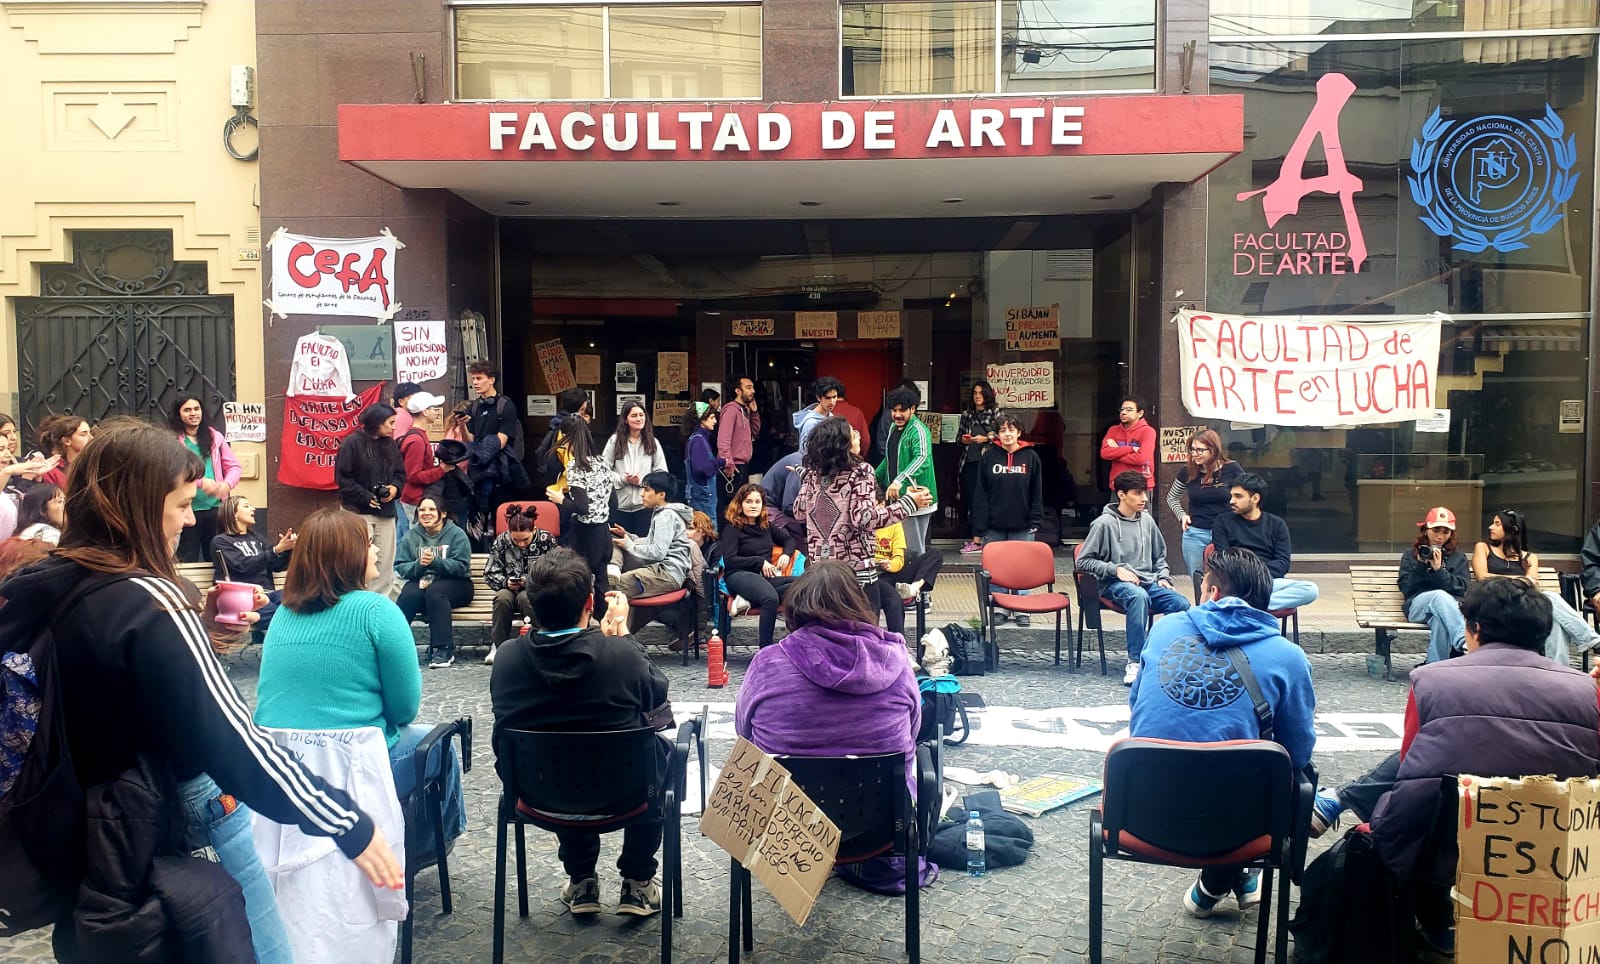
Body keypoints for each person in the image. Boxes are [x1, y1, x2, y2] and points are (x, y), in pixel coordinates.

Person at [0, 419, 401, 963]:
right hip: (175, 810)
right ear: (137, 505)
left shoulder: (43, 584)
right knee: (264, 953)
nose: (190, 519)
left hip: (82, 826)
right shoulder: (149, 599)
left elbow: (111, 684)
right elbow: (231, 738)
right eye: (183, 503)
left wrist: (200, 636)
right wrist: (346, 822)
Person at [1368, 578, 1600, 955]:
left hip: (1446, 850)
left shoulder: (1430, 680)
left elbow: (1409, 767)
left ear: (1475, 628)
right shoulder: (1586, 690)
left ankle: (1433, 924)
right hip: (1554, 853)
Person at [254, 507, 466, 847]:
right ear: (349, 556)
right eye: (369, 544)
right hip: (354, 769)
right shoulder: (378, 611)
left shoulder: (281, 615)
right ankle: (429, 848)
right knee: (439, 742)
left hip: (281, 771)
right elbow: (404, 711)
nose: (378, 550)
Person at [1128, 547, 1315, 918]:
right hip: (1239, 822)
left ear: (1213, 593)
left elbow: (1138, 712)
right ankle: (1233, 874)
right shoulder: (1289, 656)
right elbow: (1299, 751)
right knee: (1281, 774)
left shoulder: (1164, 628)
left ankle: (1224, 880)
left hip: (1146, 810)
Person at [490, 547, 672, 917]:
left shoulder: (507, 658)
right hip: (625, 794)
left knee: (560, 753)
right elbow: (658, 698)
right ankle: (637, 880)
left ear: (531, 605)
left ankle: (581, 878)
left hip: (540, 793)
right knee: (659, 751)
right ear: (591, 601)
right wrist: (622, 636)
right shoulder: (621, 656)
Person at [734, 560, 932, 892]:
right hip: (880, 826)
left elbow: (745, 735)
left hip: (785, 825)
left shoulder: (766, 663)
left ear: (794, 609)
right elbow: (912, 734)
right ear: (860, 605)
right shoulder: (896, 662)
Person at [1076, 469, 1191, 685]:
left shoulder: (1147, 521)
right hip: (1113, 584)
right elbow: (1083, 561)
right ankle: (1135, 661)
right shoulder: (1103, 524)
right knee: (1137, 597)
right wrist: (1114, 570)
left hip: (1148, 581)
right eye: (1137, 493)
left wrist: (1164, 577)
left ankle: (1163, 654)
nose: (1144, 499)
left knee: (1181, 603)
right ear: (1121, 495)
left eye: (1145, 493)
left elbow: (1160, 556)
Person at [1469, 508, 1597, 663]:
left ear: (1512, 529)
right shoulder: (1483, 548)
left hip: (1522, 607)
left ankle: (1557, 671)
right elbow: (1483, 577)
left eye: (1497, 524)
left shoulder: (1530, 558)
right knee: (1550, 598)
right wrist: (1521, 578)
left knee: (1554, 617)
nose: (1491, 527)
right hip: (1493, 604)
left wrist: (1520, 581)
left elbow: (1532, 584)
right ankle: (1590, 641)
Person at [1209, 473, 1319, 612]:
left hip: (1268, 582)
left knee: (1310, 590)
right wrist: (1250, 572)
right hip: (1236, 584)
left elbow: (1282, 564)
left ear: (1255, 498)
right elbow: (1224, 560)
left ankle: (1246, 607)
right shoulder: (1222, 522)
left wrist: (1254, 572)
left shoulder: (1277, 524)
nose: (1231, 501)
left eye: (1238, 496)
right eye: (1232, 496)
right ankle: (1254, 605)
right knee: (1227, 592)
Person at [971, 414, 1043, 625]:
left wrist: (1036, 520)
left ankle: (1022, 607)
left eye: (1011, 430)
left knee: (1022, 566)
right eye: (1003, 430)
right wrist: (979, 526)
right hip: (993, 525)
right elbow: (980, 493)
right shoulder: (988, 457)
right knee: (996, 568)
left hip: (1023, 523)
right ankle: (999, 606)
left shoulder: (1031, 457)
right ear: (998, 434)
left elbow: (1036, 492)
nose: (1007, 434)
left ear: (1019, 432)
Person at [334, 402, 406, 595]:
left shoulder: (389, 444)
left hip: (386, 512)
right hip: (357, 511)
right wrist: (365, 496)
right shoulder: (351, 443)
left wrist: (394, 488)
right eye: (390, 423)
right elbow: (342, 478)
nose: (393, 427)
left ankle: (381, 604)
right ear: (377, 422)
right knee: (358, 559)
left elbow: (400, 473)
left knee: (385, 562)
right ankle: (357, 600)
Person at [396, 495, 474, 668]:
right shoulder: (412, 535)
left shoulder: (456, 534)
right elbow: (401, 567)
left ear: (443, 513)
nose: (426, 513)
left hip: (457, 584)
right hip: (423, 581)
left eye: (431, 509)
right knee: (408, 594)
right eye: (422, 509)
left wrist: (435, 562)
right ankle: (393, 645)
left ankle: (443, 649)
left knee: (436, 592)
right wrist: (419, 565)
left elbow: (462, 567)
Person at [549, 412, 618, 602]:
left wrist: (559, 499)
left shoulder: (575, 467)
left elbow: (582, 507)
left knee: (580, 585)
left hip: (585, 534)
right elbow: (613, 501)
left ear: (566, 437)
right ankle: (607, 626)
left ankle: (582, 627)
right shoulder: (602, 462)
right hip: (603, 532)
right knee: (602, 584)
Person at [1166, 429, 1243, 597]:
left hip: (1227, 532)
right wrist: (1182, 515)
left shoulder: (1232, 469)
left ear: (1214, 449)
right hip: (1196, 533)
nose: (1195, 454)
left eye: (1200, 450)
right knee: (1200, 581)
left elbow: (1245, 495)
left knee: (1228, 577)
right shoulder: (1187, 472)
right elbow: (1171, 497)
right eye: (1192, 450)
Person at [719, 483, 797, 648]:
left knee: (801, 585)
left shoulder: (766, 527)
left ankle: (749, 600)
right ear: (740, 504)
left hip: (763, 579)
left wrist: (786, 554)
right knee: (770, 598)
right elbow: (730, 560)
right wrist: (759, 561)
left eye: (757, 502)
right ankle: (765, 649)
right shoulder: (732, 529)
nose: (753, 506)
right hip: (738, 575)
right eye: (748, 501)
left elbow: (789, 540)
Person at [168, 395, 241, 563]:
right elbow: (172, 471)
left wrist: (226, 484)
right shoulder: (172, 440)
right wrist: (200, 482)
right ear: (179, 415)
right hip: (186, 509)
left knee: (217, 558)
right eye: (187, 410)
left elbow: (234, 467)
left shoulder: (215, 437)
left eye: (196, 409)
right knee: (187, 559)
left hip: (215, 508)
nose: (193, 413)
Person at [485, 504, 557, 663]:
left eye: (525, 539)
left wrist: (532, 582)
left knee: (526, 598)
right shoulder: (501, 541)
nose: (521, 544)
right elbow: (490, 571)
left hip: (536, 590)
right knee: (501, 598)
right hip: (508, 588)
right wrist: (505, 582)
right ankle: (498, 645)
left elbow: (555, 571)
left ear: (533, 530)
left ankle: (542, 639)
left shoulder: (547, 540)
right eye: (516, 540)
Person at [211, 495, 295, 629]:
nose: (253, 509)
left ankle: (273, 621)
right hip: (243, 597)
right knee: (286, 615)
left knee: (295, 599)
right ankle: (278, 623)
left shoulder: (257, 538)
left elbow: (276, 566)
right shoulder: (221, 541)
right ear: (233, 514)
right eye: (246, 506)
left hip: (268, 594)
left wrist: (288, 549)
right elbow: (243, 566)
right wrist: (276, 549)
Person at [454, 359, 526, 516]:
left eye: (479, 378)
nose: (475, 383)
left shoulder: (505, 405)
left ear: (492, 379)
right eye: (473, 379)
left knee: (501, 515)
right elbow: (470, 440)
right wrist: (462, 426)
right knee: (478, 516)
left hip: (500, 471)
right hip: (478, 470)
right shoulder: (474, 406)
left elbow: (501, 441)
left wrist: (479, 451)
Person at [608, 471, 692, 601]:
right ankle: (614, 568)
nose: (642, 494)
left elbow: (658, 552)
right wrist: (627, 535)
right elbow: (651, 543)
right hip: (661, 571)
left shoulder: (665, 516)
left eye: (647, 490)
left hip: (666, 573)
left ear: (661, 495)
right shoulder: (663, 514)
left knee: (611, 588)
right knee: (615, 540)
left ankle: (613, 569)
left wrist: (629, 545)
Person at [1400, 506, 1469, 664]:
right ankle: (1463, 642)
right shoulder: (1411, 555)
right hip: (1417, 607)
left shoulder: (1458, 558)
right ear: (1426, 530)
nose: (1440, 536)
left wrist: (1439, 572)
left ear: (1451, 534)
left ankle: (1434, 667)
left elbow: (1462, 589)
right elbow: (1406, 589)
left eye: (1446, 532)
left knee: (1440, 621)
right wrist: (1420, 565)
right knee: (1438, 595)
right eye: (1436, 530)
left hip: (1449, 610)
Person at [876, 384, 938, 557]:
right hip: (898, 497)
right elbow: (889, 458)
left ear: (913, 409)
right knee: (900, 547)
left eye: (901, 410)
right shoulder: (893, 428)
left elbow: (922, 458)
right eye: (893, 410)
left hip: (917, 496)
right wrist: (871, 478)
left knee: (913, 549)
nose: (897, 415)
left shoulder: (918, 429)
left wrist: (898, 480)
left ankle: (916, 583)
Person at [603, 400, 669, 537]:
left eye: (641, 415)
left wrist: (643, 482)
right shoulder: (614, 441)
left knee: (642, 545)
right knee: (619, 547)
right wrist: (623, 479)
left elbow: (662, 473)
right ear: (625, 419)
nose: (639, 419)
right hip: (619, 506)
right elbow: (603, 471)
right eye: (634, 416)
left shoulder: (653, 442)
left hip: (644, 506)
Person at [958, 379, 1002, 554]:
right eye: (975, 393)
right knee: (972, 500)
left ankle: (985, 538)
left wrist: (986, 439)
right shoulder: (967, 414)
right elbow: (958, 438)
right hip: (969, 461)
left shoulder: (995, 413)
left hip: (990, 463)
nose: (977, 396)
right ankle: (976, 538)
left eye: (981, 393)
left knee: (987, 500)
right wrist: (964, 439)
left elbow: (1003, 437)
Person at [397, 389, 450, 530]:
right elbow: (413, 476)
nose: (437, 412)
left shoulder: (416, 436)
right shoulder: (416, 440)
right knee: (416, 538)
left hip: (415, 498)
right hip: (416, 499)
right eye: (434, 408)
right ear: (424, 412)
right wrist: (441, 470)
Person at [535, 386, 591, 492]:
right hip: (567, 487)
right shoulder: (570, 428)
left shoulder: (557, 422)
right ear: (582, 407)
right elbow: (568, 458)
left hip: (558, 485)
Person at [1099, 395, 1155, 494]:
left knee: (1141, 510)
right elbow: (1104, 453)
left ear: (1140, 413)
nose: (1123, 412)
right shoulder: (1113, 430)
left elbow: (1141, 458)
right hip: (1118, 486)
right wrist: (1132, 449)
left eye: (1129, 410)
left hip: (1140, 487)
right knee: (1115, 510)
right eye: (1122, 409)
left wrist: (1116, 453)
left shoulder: (1148, 432)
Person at [716, 374, 759, 492]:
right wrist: (728, 462)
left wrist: (754, 413)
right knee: (731, 506)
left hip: (743, 464)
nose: (753, 391)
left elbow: (754, 431)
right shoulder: (731, 410)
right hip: (732, 466)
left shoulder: (746, 410)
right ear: (738, 391)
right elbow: (723, 440)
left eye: (753, 387)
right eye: (749, 388)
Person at [682, 402, 723, 526]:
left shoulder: (696, 439)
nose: (715, 421)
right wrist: (719, 463)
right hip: (703, 497)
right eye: (711, 418)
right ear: (701, 421)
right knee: (708, 532)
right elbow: (701, 469)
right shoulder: (699, 440)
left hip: (699, 495)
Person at [36, 413, 92, 488]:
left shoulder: (94, 465)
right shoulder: (51, 471)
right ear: (67, 441)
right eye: (83, 434)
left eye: (90, 433)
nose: (91, 438)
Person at [792, 375, 843, 451]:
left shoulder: (831, 417)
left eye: (834, 397)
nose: (832, 402)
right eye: (827, 398)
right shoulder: (810, 423)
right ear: (818, 397)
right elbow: (804, 452)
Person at [831, 384, 871, 458]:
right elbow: (866, 441)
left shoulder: (826, 412)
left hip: (829, 461)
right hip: (852, 458)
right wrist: (859, 456)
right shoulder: (857, 412)